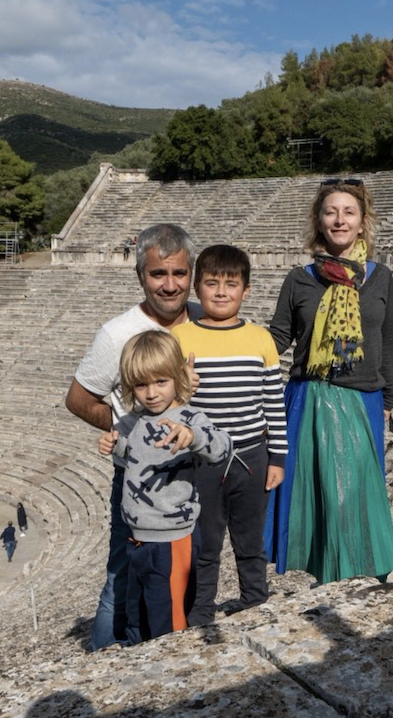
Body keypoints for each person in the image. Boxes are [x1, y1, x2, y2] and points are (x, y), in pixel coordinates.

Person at [65, 223, 201, 652]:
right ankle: (101, 666)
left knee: (189, 574)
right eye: (158, 274)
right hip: (140, 484)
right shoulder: (116, 334)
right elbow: (77, 398)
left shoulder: (203, 320)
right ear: (140, 275)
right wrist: (127, 431)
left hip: (194, 476)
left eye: (179, 273)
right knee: (121, 577)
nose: (170, 284)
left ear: (191, 273)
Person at [264, 177, 393, 585]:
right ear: (319, 222)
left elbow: (386, 337)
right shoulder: (299, 279)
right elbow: (277, 339)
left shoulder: (380, 277)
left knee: (355, 497)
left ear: (362, 223)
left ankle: (363, 580)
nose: (339, 220)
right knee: (321, 500)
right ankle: (329, 583)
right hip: (310, 397)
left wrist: (389, 397)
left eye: (348, 212)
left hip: (365, 399)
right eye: (330, 212)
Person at [171, 245, 287, 625]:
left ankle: (255, 599)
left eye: (231, 284)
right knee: (205, 542)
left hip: (252, 456)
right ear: (197, 289)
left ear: (246, 290)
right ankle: (201, 611)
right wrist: (181, 388)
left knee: (249, 539)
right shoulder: (181, 338)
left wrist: (278, 458)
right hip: (201, 461)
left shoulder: (260, 340)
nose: (221, 292)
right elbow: (167, 404)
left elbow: (273, 401)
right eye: (211, 283)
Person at [98, 331, 231, 644]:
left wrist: (194, 437)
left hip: (171, 543)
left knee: (167, 623)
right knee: (137, 614)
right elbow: (138, 454)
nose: (151, 393)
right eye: (141, 385)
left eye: (161, 382)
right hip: (137, 539)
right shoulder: (135, 420)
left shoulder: (190, 418)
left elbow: (223, 447)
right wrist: (115, 445)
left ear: (178, 377)